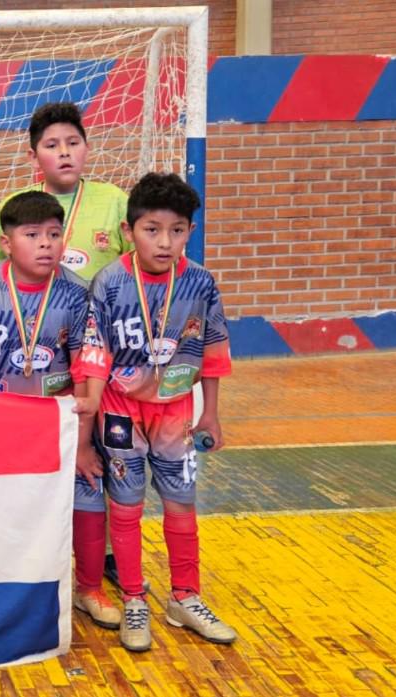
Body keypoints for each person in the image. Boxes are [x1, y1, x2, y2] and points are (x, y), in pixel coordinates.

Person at [75, 173, 236, 652]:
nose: (164, 241)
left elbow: (213, 348)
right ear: (129, 231)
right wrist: (87, 434)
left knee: (181, 503)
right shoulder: (109, 281)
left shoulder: (201, 283)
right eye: (151, 229)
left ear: (189, 231)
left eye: (177, 230)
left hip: (177, 411)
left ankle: (186, 596)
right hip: (120, 411)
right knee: (125, 507)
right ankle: (134, 598)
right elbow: (94, 354)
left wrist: (211, 412)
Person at [0, 191, 120, 629]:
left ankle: (89, 587)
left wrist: (83, 444)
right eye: (32, 235)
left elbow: (87, 369)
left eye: (53, 234)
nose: (46, 244)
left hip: (63, 425)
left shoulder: (77, 293)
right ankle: (4, 584)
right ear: (7, 244)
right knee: (2, 505)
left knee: (86, 494)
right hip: (3, 424)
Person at [0, 101, 131, 281]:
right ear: (34, 157)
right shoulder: (14, 205)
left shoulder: (115, 201)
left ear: (87, 149)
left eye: (73, 143)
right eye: (52, 146)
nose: (64, 152)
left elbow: (138, 267)